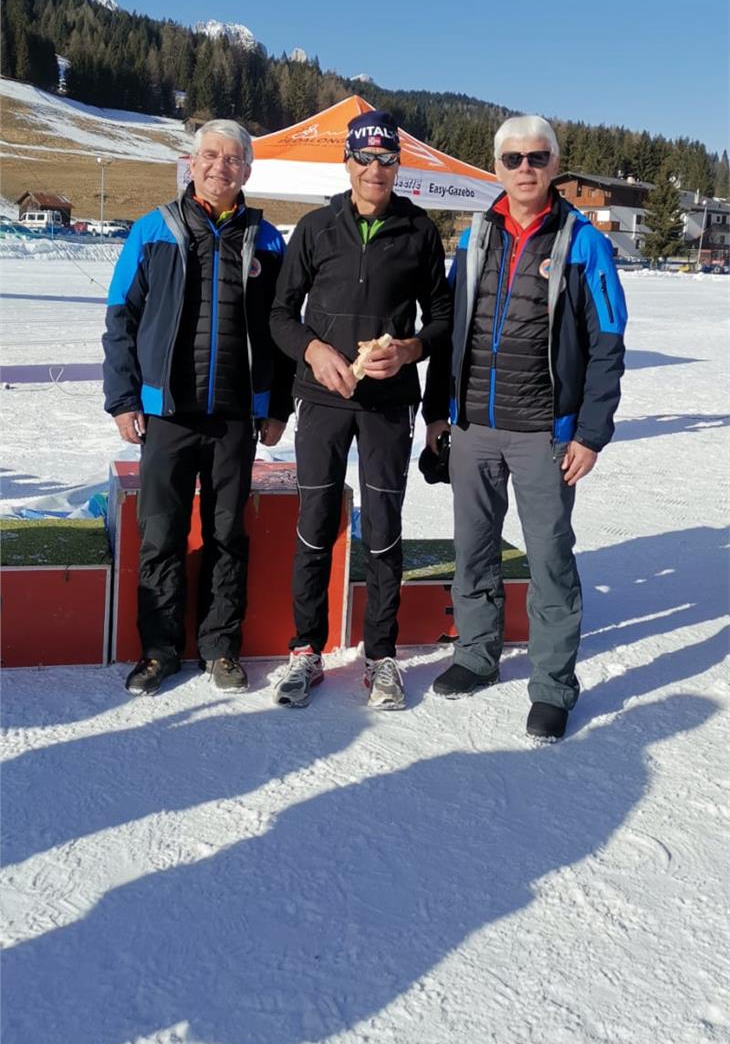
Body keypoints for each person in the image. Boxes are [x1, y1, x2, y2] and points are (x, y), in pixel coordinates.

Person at [425, 114, 627, 741]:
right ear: (497, 166)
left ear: (554, 164)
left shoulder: (583, 242)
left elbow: (608, 342)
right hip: (474, 428)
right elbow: (452, 331)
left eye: (537, 157)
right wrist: (438, 412)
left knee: (549, 558)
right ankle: (476, 655)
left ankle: (553, 685)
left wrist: (590, 433)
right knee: (473, 550)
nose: (524, 168)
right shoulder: (475, 237)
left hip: (545, 434)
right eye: (512, 158)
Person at [102, 119, 292, 695]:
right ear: (192, 162)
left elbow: (282, 329)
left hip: (235, 415)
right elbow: (121, 318)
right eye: (210, 155)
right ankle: (159, 651)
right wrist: (124, 398)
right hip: (167, 412)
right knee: (160, 533)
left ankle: (220, 648)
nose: (219, 167)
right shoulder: (151, 230)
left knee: (227, 534)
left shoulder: (267, 240)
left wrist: (277, 406)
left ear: (247, 170)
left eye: (232, 159)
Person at [269, 108, 450, 710]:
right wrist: (313, 349)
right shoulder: (316, 228)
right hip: (323, 397)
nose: (376, 169)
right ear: (346, 161)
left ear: (399, 165)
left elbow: (443, 317)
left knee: (383, 527)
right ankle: (305, 650)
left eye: (387, 159)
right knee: (315, 521)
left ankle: (380, 656)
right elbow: (280, 314)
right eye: (366, 158)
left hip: (387, 404)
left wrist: (410, 349)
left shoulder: (420, 231)